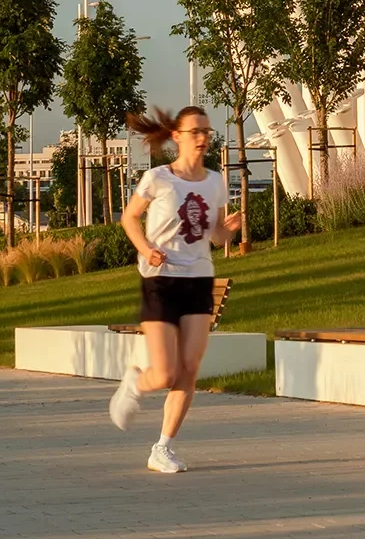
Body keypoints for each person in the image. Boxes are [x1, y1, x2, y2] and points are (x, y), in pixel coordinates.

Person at [107, 104, 241, 473]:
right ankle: (135, 382)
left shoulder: (216, 181)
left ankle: (162, 448)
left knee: (189, 370)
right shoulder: (157, 178)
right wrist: (145, 248)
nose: (202, 138)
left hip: (199, 279)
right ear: (177, 136)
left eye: (206, 132)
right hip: (160, 280)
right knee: (164, 373)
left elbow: (212, 234)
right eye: (195, 131)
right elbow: (129, 218)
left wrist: (227, 231)